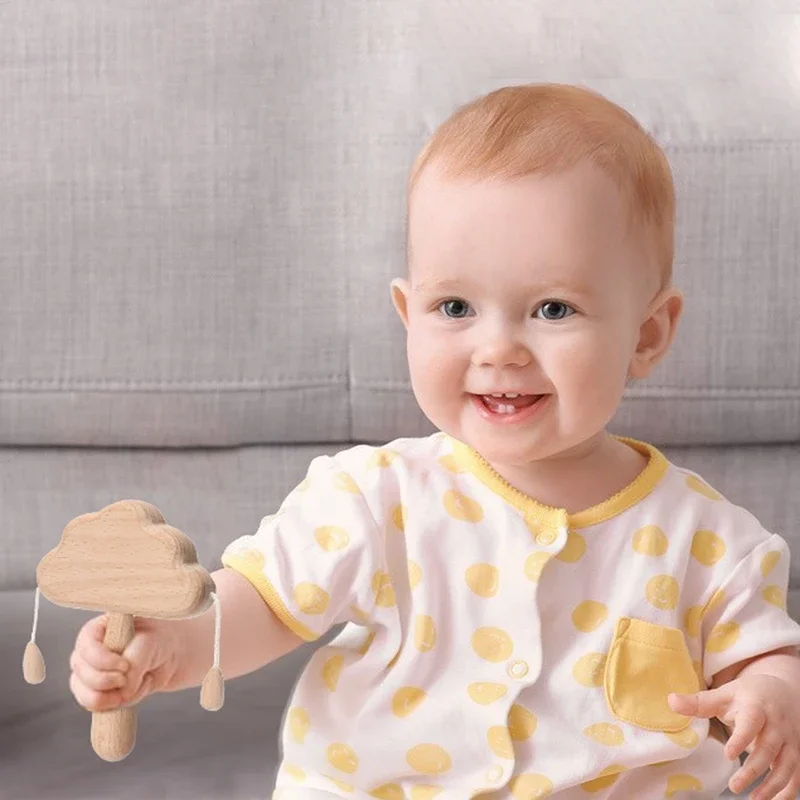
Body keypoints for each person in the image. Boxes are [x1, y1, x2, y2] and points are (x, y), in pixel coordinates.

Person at [68, 83, 800, 799]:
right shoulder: (375, 498)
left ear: (647, 334)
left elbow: (765, 657)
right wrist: (174, 645)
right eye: (454, 307)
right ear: (407, 313)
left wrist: (773, 693)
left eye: (553, 309)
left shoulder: (710, 542)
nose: (498, 348)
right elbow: (264, 600)